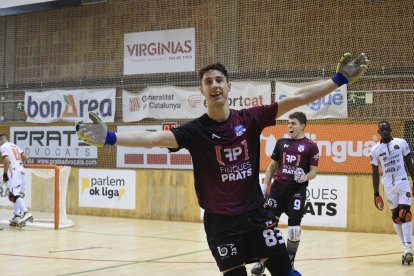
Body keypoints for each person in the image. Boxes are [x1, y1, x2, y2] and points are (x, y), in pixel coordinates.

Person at [76, 53, 369, 276]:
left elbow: (298, 98)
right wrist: (112, 138)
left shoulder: (249, 119)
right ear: (201, 92)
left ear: (229, 87)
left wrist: (339, 80)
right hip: (220, 223)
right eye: (208, 82)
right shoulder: (195, 131)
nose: (214, 85)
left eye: (219, 80)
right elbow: (153, 138)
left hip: (255, 214)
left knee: (285, 272)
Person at [251, 112, 318, 274]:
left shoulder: (311, 146)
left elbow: (314, 171)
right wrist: (265, 184)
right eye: (288, 123)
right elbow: (272, 166)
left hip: (297, 190)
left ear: (302, 125)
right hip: (278, 188)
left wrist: (304, 177)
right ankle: (261, 261)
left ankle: (289, 261)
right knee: (267, 225)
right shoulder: (281, 142)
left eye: (293, 123)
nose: (289, 126)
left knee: (294, 229)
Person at [370, 121, 414, 265]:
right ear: (378, 132)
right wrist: (376, 193)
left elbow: (409, 162)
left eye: (386, 129)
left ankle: (409, 248)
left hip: (403, 182)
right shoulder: (375, 150)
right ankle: (405, 246)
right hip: (388, 186)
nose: (384, 131)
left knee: (405, 214)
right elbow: (375, 172)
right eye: (381, 130)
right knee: (396, 217)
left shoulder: (401, 143)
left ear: (390, 129)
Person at [0, 134, 32, 227]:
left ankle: (25, 213)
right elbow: (26, 157)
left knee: (15, 193)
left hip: (15, 171)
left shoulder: (3, 146)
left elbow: (6, 160)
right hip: (21, 169)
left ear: (1, 140)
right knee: (13, 194)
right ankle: (17, 216)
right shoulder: (14, 145)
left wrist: (5, 173)